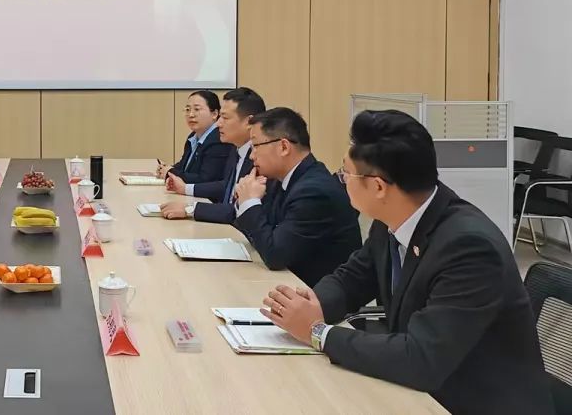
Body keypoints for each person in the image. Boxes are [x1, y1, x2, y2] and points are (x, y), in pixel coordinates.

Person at [261, 110, 553, 414]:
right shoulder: (394, 216)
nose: (341, 180)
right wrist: (313, 304)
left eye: (346, 173)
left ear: (378, 187)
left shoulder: (469, 248)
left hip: (472, 401)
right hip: (425, 388)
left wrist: (318, 332)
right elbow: (354, 277)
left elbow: (422, 358)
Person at [232, 107, 361, 286]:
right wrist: (246, 199)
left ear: (284, 147)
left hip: (313, 293)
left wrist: (250, 202)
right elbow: (255, 232)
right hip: (286, 283)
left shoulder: (314, 191)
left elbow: (275, 255)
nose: (252, 156)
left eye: (255, 146)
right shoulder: (281, 179)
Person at [161, 87, 266, 223]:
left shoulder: (261, 158)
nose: (219, 123)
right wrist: (185, 191)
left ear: (249, 122)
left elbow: (239, 210)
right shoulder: (236, 149)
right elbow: (226, 188)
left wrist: (190, 209)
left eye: (225, 118)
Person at [155, 90, 233, 185]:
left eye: (197, 109)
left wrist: (170, 172)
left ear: (214, 114)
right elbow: (185, 166)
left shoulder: (219, 139)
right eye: (188, 110)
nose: (191, 115)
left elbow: (205, 179)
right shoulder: (193, 136)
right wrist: (167, 168)